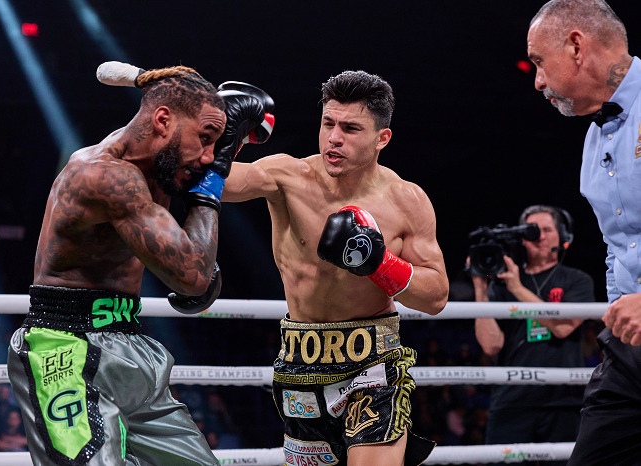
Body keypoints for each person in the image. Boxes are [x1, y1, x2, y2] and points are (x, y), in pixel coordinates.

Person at [6, 63, 272, 465]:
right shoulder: (105, 176)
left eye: (215, 145)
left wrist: (220, 143)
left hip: (130, 344)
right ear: (162, 121)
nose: (208, 156)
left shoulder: (160, 166)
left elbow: (197, 270)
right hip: (64, 348)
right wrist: (216, 174)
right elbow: (193, 278)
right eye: (205, 139)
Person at [223, 70, 449, 465]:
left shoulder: (406, 200)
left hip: (372, 364)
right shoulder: (286, 177)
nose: (334, 137)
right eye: (328, 123)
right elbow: (209, 185)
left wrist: (378, 263)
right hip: (301, 362)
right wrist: (224, 137)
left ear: (382, 138)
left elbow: (435, 297)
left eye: (351, 128)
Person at [527, 1, 641, 463]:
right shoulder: (595, 139)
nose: (537, 80)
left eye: (539, 61)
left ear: (577, 46)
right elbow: (618, 242)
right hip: (629, 350)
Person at [471, 205, 594, 464]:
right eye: (532, 231)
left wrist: (517, 288)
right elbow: (491, 345)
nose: (540, 236)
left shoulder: (577, 280)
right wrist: (480, 288)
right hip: (512, 399)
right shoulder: (503, 284)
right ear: (522, 239)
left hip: (563, 399)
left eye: (547, 230)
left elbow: (562, 327)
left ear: (562, 236)